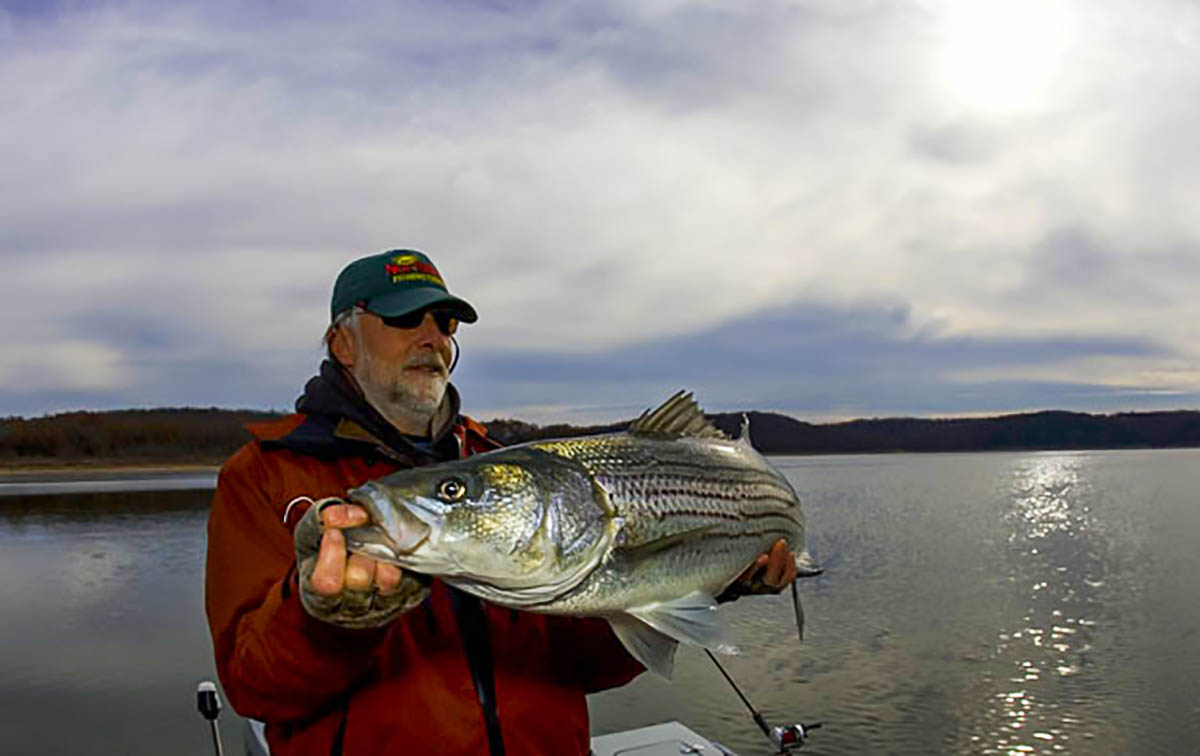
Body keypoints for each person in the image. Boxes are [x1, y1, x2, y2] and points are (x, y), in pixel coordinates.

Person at [204, 249, 801, 756]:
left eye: (445, 322)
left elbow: (587, 665)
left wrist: (709, 580)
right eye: (404, 318)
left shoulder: (511, 465)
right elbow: (255, 688)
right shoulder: (265, 475)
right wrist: (327, 622)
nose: (432, 338)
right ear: (343, 342)